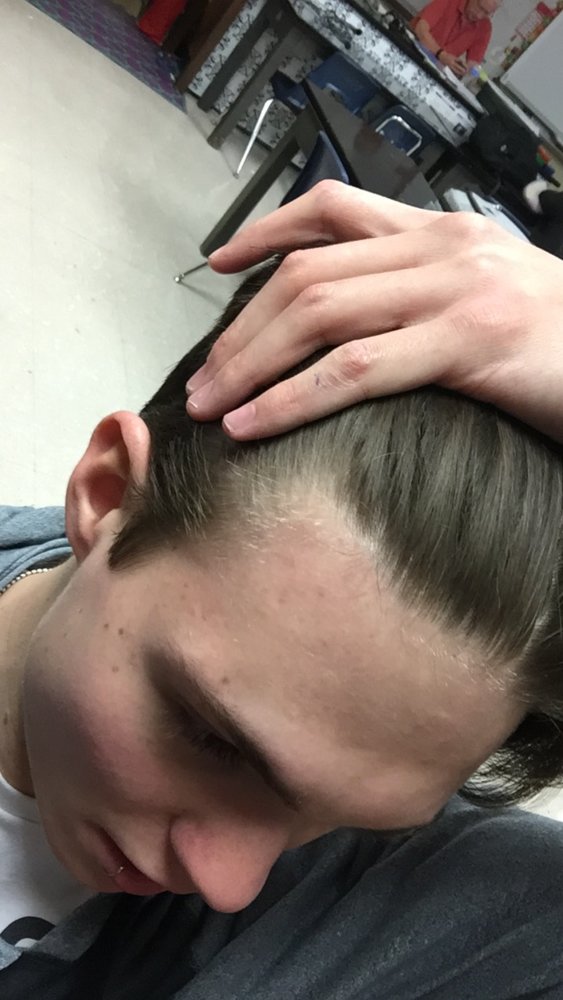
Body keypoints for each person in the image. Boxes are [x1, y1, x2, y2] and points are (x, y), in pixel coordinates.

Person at [3, 193, 563, 997]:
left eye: (346, 819)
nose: (230, 884)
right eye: (213, 742)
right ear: (107, 494)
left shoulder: (418, 900)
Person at [411, 0, 500, 78]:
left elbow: (473, 66)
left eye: (486, 13)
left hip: (434, 71)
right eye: (479, 7)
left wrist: (468, 70)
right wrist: (442, 55)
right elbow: (420, 29)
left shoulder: (485, 27)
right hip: (411, 49)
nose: (479, 16)